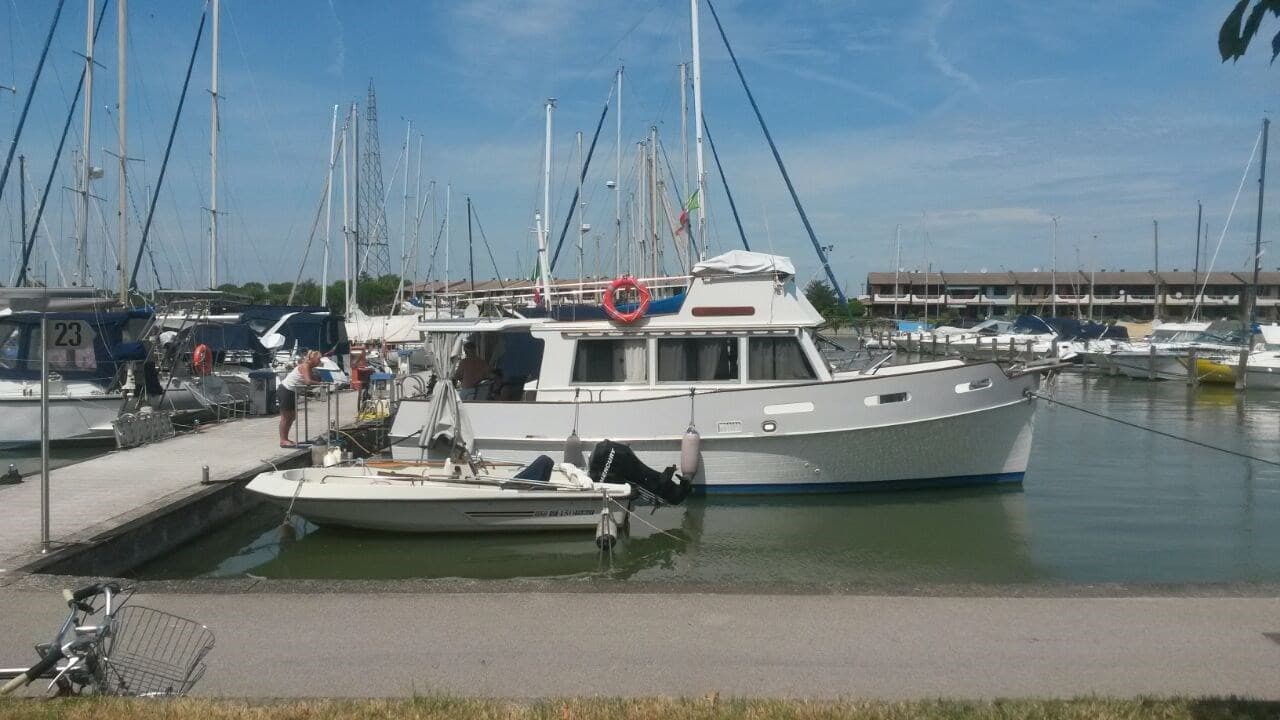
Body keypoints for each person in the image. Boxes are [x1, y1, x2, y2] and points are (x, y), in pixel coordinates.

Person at [279, 350, 323, 448]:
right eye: (318, 359)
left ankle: (285, 438)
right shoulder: (305, 366)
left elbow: (309, 382)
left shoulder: (310, 368)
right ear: (312, 359)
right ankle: (283, 440)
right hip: (286, 390)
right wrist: (321, 384)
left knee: (292, 416)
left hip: (292, 391)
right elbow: (308, 381)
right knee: (286, 417)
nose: (319, 361)